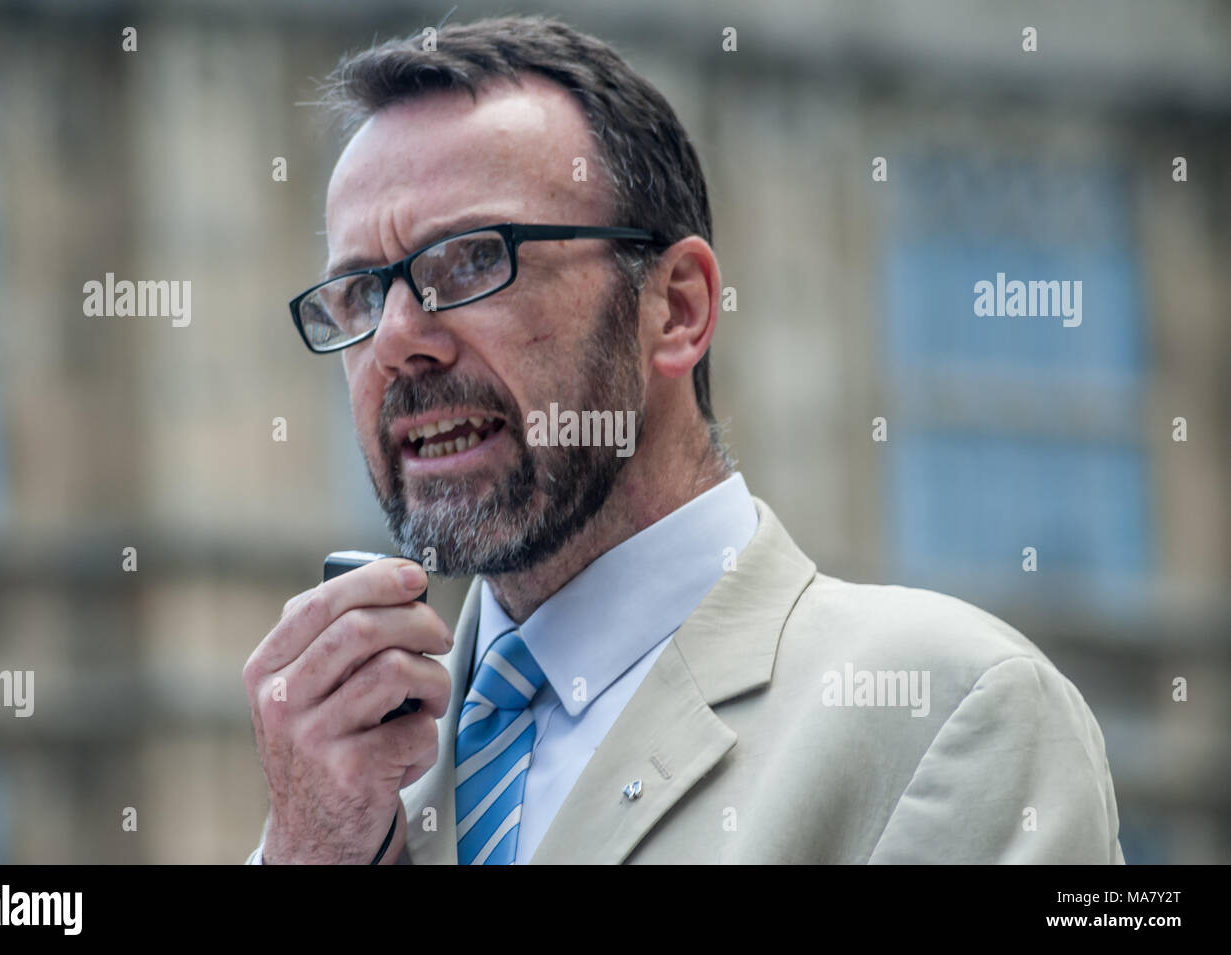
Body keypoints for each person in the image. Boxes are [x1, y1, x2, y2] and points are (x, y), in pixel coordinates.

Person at [242, 15, 1124, 864]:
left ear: (678, 309)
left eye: (473, 259)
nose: (396, 338)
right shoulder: (348, 787)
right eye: (360, 293)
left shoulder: (953, 710)